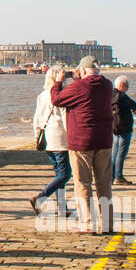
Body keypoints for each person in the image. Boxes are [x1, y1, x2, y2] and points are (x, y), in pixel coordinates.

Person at [50, 55, 115, 234]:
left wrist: (58, 82)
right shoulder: (108, 85)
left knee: (82, 183)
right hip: (104, 140)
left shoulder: (78, 87)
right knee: (104, 184)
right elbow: (89, 90)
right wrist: (80, 78)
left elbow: (56, 99)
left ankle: (87, 223)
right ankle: (108, 224)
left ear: (83, 70)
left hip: (82, 141)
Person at [28, 65, 71, 216]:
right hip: (60, 137)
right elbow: (65, 117)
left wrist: (37, 135)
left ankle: (62, 209)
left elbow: (37, 118)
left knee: (59, 174)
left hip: (46, 138)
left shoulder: (42, 95)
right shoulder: (61, 94)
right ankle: (40, 198)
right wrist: (71, 135)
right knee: (65, 174)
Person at [111, 76, 136, 186]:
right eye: (127, 87)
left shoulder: (110, 94)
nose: (127, 89)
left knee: (115, 152)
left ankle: (112, 176)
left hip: (114, 126)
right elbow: (134, 104)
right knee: (121, 152)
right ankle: (118, 176)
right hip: (124, 127)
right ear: (122, 86)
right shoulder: (121, 95)